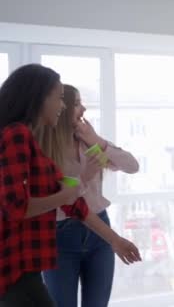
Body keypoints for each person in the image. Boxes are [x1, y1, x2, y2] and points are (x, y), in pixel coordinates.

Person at [0, 64, 140, 307]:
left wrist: (116, 240)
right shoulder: (19, 136)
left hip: (27, 270)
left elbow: (74, 201)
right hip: (15, 268)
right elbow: (17, 207)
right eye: (60, 98)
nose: (62, 105)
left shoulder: (42, 144)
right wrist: (69, 192)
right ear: (39, 98)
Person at [38, 84, 140, 307]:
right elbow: (62, 201)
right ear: (61, 107)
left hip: (100, 232)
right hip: (60, 236)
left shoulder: (88, 142)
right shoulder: (45, 149)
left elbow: (132, 166)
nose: (83, 109)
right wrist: (84, 177)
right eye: (76, 104)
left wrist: (98, 141)